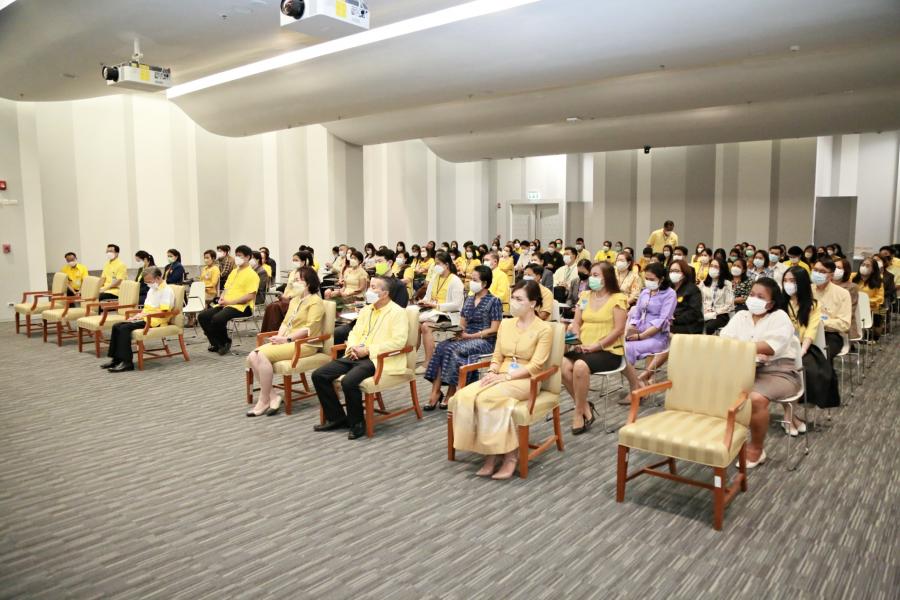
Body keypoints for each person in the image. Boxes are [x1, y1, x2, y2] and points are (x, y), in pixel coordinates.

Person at [451, 280, 553, 480]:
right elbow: (497, 355)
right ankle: (492, 453)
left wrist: (506, 377)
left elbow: (536, 365)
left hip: (526, 379)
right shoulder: (506, 324)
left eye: (519, 299)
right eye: (513, 298)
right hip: (500, 375)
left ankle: (509, 456)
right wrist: (492, 371)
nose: (513, 302)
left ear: (532, 303)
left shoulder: (544, 329)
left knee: (488, 399)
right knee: (464, 396)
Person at [312, 277, 409, 440]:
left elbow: (398, 342)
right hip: (355, 354)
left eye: (373, 287)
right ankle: (337, 418)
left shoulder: (397, 312)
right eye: (370, 287)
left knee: (348, 382)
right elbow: (354, 333)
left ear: (385, 293)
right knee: (319, 375)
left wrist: (368, 350)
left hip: (378, 359)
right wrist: (353, 347)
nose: (369, 290)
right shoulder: (366, 310)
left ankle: (357, 423)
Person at [720, 277, 801, 468]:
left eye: (760, 297)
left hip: (779, 371)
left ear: (771, 303)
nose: (753, 299)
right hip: (745, 368)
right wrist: (751, 349)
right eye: (752, 294)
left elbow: (771, 347)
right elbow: (725, 340)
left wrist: (743, 346)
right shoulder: (741, 316)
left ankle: (756, 448)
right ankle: (724, 440)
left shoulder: (779, 317)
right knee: (717, 389)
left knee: (755, 399)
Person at [246, 268, 325, 417]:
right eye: (294, 280)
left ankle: (263, 400)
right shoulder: (295, 300)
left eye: (298, 280)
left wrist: (287, 339)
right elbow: (285, 322)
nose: (294, 283)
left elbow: (309, 329)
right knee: (252, 356)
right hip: (288, 341)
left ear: (308, 283)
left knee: (260, 354)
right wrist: (279, 337)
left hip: (306, 344)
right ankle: (272, 396)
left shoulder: (316, 302)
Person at [424, 266, 503, 411]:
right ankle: (435, 391)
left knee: (453, 349)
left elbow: (494, 329)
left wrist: (470, 336)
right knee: (442, 346)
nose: (471, 282)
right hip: (466, 336)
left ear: (484, 283)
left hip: (485, 340)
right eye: (471, 279)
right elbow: (462, 324)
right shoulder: (469, 299)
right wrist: (456, 332)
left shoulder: (494, 301)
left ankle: (451, 391)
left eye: (475, 280)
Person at [562, 261, 627, 434]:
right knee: (562, 365)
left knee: (580, 366)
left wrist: (596, 346)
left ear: (607, 278)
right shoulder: (585, 296)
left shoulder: (618, 299)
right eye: (591, 275)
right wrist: (577, 338)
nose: (591, 278)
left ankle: (578, 413)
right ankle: (585, 406)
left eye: (596, 275)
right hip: (583, 347)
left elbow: (619, 329)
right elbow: (577, 322)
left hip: (608, 350)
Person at [783, 267, 840, 421]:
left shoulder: (813, 305)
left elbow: (811, 331)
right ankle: (790, 418)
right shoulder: (780, 302)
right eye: (785, 280)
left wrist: (802, 350)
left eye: (792, 281)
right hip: (782, 345)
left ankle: (791, 415)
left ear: (801, 283)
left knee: (812, 370)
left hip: (802, 345)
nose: (788, 284)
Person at [638, 259, 704, 382]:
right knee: (653, 332)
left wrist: (675, 319)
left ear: (684, 273)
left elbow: (694, 313)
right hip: (668, 323)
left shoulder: (692, 289)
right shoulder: (666, 288)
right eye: (672, 270)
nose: (673, 273)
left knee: (662, 335)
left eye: (677, 271)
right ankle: (648, 375)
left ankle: (647, 375)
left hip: (688, 326)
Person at [100, 267, 175, 372]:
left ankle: (127, 363)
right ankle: (116, 360)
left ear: (158, 278)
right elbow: (147, 308)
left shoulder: (166, 290)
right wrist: (138, 315)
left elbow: (164, 313)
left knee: (124, 329)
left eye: (149, 281)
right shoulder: (152, 289)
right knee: (116, 326)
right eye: (146, 282)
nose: (148, 284)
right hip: (146, 317)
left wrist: (144, 315)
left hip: (156, 320)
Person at [622, 262, 677, 392]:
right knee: (617, 347)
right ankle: (638, 384)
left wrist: (641, 336)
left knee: (626, 349)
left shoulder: (670, 294)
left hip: (657, 337)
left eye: (652, 279)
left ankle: (636, 387)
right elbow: (637, 313)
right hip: (640, 331)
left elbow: (662, 321)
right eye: (646, 278)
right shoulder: (645, 292)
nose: (648, 282)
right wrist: (631, 329)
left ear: (661, 279)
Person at [198, 245, 260, 355]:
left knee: (218, 318)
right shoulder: (234, 272)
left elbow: (250, 296)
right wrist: (222, 297)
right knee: (203, 316)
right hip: (226, 304)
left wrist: (229, 302)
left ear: (248, 257)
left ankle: (225, 342)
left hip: (242, 307)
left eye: (240, 256)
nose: (237, 258)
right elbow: (226, 288)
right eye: (236, 255)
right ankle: (216, 343)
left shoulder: (252, 275)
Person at [417, 252, 465, 371]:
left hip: (450, 315)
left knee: (425, 326)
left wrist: (437, 306)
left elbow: (457, 304)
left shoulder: (455, 280)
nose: (435, 266)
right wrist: (423, 301)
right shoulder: (435, 277)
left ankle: (428, 362)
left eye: (438, 264)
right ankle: (411, 355)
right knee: (414, 323)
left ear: (446, 265)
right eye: (435, 264)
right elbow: (428, 296)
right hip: (433, 311)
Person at [811, 258, 852, 360]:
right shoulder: (807, 290)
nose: (817, 274)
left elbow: (845, 324)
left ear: (831, 275)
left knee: (820, 355)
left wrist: (821, 322)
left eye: (822, 272)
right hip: (808, 332)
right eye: (815, 270)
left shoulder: (842, 293)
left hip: (831, 334)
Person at [852, 256, 884, 339]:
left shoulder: (878, 281)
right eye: (863, 264)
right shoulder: (852, 277)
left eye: (867, 265)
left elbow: (880, 298)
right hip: (852, 306)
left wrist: (865, 301)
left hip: (869, 308)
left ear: (873, 270)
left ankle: (868, 333)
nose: (864, 267)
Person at [701, 257, 734, 334]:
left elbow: (729, 305)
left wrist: (714, 312)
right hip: (705, 312)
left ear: (722, 270)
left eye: (716, 267)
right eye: (711, 266)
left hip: (720, 314)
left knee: (708, 327)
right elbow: (699, 300)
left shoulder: (727, 284)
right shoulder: (703, 283)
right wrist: (704, 310)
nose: (712, 268)